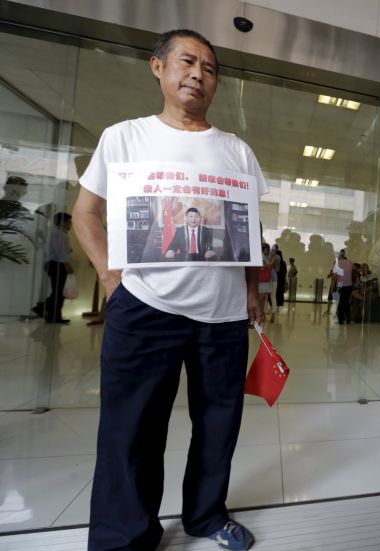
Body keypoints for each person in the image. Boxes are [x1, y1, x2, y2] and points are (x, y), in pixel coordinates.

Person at [72, 29, 267, 551]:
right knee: (131, 429)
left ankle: (205, 516)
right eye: (187, 62)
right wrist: (113, 281)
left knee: (218, 425)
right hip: (146, 309)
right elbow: (85, 214)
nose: (198, 74)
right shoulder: (125, 137)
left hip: (223, 316)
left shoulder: (236, 151)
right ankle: (124, 536)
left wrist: (252, 291)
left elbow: (252, 233)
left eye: (209, 67)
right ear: (157, 67)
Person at [32, 211, 74, 323]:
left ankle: (52, 315)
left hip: (56, 264)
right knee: (58, 292)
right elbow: (60, 252)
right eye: (69, 222)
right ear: (62, 222)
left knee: (58, 291)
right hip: (57, 265)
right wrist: (67, 264)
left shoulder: (59, 233)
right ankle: (43, 309)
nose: (71, 225)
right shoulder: (57, 233)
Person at [333, 249, 354, 324]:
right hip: (349, 284)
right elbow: (354, 270)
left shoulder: (337, 263)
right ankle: (348, 317)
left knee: (340, 302)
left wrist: (334, 286)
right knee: (346, 301)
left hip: (340, 284)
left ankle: (341, 319)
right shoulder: (350, 262)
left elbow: (335, 277)